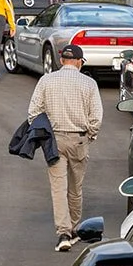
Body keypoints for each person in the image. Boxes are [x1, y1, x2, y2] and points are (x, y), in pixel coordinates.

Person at [26, 43, 103, 250]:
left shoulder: (46, 80)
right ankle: (75, 228)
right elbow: (96, 117)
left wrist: (45, 134)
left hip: (54, 140)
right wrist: (90, 136)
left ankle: (63, 233)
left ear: (61, 61)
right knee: (75, 188)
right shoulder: (88, 83)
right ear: (79, 61)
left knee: (58, 188)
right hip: (78, 138)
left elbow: (33, 113)